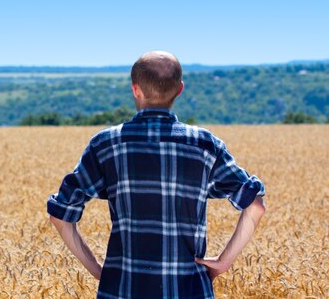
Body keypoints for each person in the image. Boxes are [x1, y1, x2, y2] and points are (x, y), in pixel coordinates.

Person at [47, 51, 266, 298]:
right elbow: (255, 206)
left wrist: (98, 270)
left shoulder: (106, 145)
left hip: (122, 289)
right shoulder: (205, 145)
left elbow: (60, 215)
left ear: (135, 89)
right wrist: (224, 262)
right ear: (179, 89)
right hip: (189, 290)